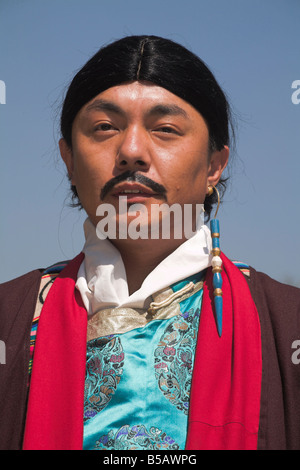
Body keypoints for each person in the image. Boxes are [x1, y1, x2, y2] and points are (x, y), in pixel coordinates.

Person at [0, 35, 299, 451]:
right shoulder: (9, 319)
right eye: (104, 127)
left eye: (165, 129)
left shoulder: (288, 326)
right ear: (69, 160)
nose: (131, 151)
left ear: (214, 165)